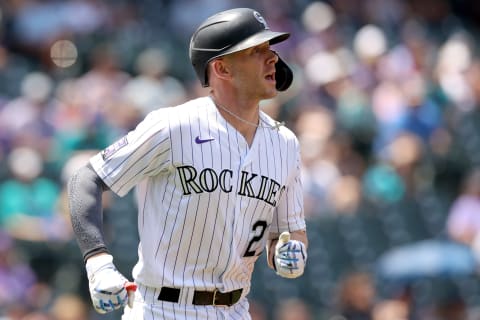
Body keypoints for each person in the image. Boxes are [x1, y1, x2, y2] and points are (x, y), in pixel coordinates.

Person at [67, 7, 308, 320]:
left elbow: (290, 231)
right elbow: (86, 179)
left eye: (270, 49)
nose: (272, 58)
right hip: (161, 308)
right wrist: (98, 264)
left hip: (235, 309)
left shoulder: (285, 143)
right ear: (222, 69)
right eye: (256, 51)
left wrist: (290, 252)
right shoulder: (174, 126)